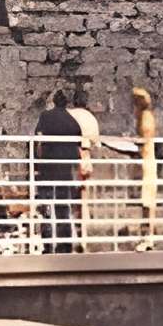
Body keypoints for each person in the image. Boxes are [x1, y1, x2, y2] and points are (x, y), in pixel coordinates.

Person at [33, 90, 83, 254]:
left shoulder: (45, 116)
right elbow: (78, 141)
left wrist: (37, 161)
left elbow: (38, 139)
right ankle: (65, 245)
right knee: (63, 206)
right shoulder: (72, 121)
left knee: (47, 205)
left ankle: (48, 244)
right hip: (65, 168)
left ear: (54, 101)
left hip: (48, 166)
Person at [69, 86, 102, 248]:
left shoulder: (70, 115)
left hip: (69, 159)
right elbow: (96, 142)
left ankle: (74, 233)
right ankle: (83, 233)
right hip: (85, 159)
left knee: (69, 198)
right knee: (82, 197)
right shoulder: (89, 117)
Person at [131, 84, 158, 248]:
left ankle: (149, 236)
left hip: (147, 161)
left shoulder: (146, 117)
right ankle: (146, 234)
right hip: (145, 160)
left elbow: (145, 139)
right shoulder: (144, 116)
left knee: (148, 200)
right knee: (146, 201)